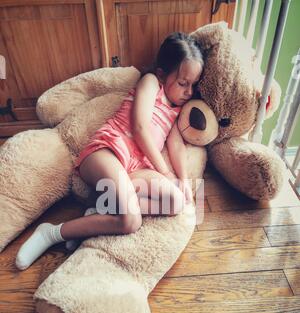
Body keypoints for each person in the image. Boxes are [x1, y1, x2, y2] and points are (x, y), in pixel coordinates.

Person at [15, 32, 204, 271]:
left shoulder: (179, 111)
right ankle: (52, 233)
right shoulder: (151, 84)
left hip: (135, 169)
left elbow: (175, 144)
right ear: (162, 74)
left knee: (176, 201)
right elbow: (140, 127)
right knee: (130, 221)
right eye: (183, 83)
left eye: (193, 85)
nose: (188, 91)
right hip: (108, 151)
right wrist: (164, 171)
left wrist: (184, 180)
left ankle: (100, 212)